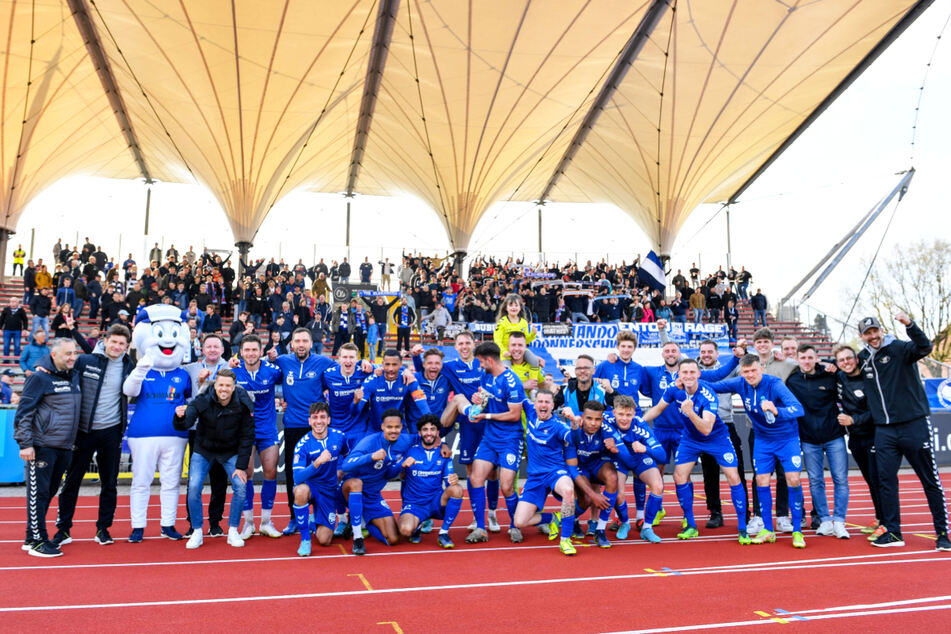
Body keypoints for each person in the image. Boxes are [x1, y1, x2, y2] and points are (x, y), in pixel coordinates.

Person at [857, 314, 950, 550]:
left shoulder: (899, 348)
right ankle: (894, 533)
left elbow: (925, 347)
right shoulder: (863, 358)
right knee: (885, 481)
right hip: (884, 430)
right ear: (862, 337)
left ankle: (942, 533)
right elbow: (845, 371)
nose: (873, 336)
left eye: (875, 331)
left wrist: (910, 325)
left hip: (913, 424)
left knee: (929, 480)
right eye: (868, 333)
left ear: (881, 330)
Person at [642, 359, 750, 543]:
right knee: (679, 476)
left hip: (717, 438)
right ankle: (691, 524)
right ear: (679, 375)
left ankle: (742, 528)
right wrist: (638, 422)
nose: (689, 376)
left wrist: (690, 412)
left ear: (699, 374)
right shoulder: (673, 389)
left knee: (733, 477)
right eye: (685, 373)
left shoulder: (708, 394)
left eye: (692, 372)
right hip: (691, 439)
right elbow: (658, 409)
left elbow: (707, 428)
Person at [709, 355, 806, 548]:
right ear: (741, 372)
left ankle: (797, 530)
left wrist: (778, 411)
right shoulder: (740, 383)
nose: (750, 375)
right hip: (763, 440)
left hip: (787, 439)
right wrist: (690, 380)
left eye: (753, 370)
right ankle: (768, 530)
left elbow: (798, 409)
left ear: (761, 368)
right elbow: (714, 386)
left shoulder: (775, 384)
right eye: (746, 372)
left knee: (793, 479)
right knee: (761, 480)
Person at [52, 325, 135, 548]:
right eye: (114, 342)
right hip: (83, 432)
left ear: (126, 346)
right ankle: (63, 529)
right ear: (105, 340)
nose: (117, 347)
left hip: (112, 431)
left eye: (121, 344)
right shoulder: (85, 361)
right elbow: (59, 369)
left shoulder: (130, 365)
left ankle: (103, 529)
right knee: (72, 481)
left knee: (110, 483)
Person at [122, 304, 193, 543]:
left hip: (175, 435)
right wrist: (141, 369)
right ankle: (138, 526)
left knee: (171, 483)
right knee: (141, 481)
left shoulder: (183, 374)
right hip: (142, 435)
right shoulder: (141, 370)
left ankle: (168, 524)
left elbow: (192, 400)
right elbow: (128, 390)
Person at [14, 337, 81, 557]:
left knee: (49, 492)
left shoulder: (73, 376)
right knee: (38, 494)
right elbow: (24, 412)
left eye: (74, 353)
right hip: (42, 446)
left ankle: (29, 536)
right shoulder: (40, 378)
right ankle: (38, 541)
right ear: (54, 355)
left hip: (64, 446)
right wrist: (25, 444)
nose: (72, 357)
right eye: (67, 354)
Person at [174, 369, 254, 549]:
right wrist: (179, 417)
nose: (224, 389)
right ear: (214, 385)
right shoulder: (203, 399)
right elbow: (186, 424)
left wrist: (241, 466)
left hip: (230, 452)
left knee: (240, 486)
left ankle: (233, 530)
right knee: (193, 487)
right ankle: (197, 531)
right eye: (220, 385)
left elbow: (247, 437)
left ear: (234, 387)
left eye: (228, 385)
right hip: (204, 450)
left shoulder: (243, 403)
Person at [267, 327, 335, 535]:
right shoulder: (283, 361)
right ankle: (294, 517)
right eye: (297, 341)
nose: (301, 344)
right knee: (293, 474)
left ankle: (318, 515)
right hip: (293, 427)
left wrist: (367, 365)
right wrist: (269, 359)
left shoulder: (323, 362)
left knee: (320, 471)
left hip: (317, 427)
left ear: (310, 343)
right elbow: (263, 370)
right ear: (292, 344)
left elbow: (345, 370)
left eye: (305, 340)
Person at [455, 341, 525, 543]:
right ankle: (480, 528)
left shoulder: (512, 381)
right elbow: (485, 398)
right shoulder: (486, 376)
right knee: (476, 478)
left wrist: (486, 417)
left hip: (510, 439)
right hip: (489, 439)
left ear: (488, 360)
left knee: (507, 486)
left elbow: (514, 414)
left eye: (480, 362)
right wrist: (479, 399)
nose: (479, 366)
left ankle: (515, 526)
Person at [513, 390, 594, 556]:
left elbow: (574, 439)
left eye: (547, 402)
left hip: (555, 472)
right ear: (534, 404)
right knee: (519, 521)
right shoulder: (529, 410)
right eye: (540, 401)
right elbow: (516, 391)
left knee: (568, 490)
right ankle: (554, 518)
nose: (543, 405)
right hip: (535, 477)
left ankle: (565, 540)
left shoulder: (558, 426)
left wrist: (573, 421)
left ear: (552, 406)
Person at [786, 343, 849, 539]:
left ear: (816, 358)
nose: (806, 361)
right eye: (803, 358)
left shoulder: (830, 375)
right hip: (809, 439)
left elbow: (846, 371)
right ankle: (824, 519)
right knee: (815, 481)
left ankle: (839, 521)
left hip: (834, 436)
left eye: (810, 358)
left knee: (840, 479)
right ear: (797, 359)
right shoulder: (792, 381)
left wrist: (833, 364)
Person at [340, 409, 416, 555]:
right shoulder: (369, 442)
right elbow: (346, 465)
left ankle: (362, 520)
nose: (393, 430)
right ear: (382, 427)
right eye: (389, 427)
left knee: (393, 539)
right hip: (351, 489)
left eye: (397, 427)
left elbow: (426, 437)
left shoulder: (405, 440)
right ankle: (358, 537)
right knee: (357, 484)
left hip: (373, 495)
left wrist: (442, 445)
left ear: (401, 427)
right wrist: (370, 457)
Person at [231, 335, 284, 539]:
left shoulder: (271, 370)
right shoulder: (234, 372)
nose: (251, 353)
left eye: (255, 349)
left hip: (268, 428)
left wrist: (276, 358)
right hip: (244, 430)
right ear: (241, 352)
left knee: (270, 472)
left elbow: (288, 373)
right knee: (247, 474)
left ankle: (266, 521)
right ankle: (248, 523)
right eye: (247, 350)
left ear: (261, 351)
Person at [183, 333, 231, 537]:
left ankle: (215, 522)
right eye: (208, 346)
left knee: (219, 480)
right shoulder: (190, 369)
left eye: (216, 346)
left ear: (222, 349)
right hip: (198, 431)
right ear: (202, 349)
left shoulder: (231, 367)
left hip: (224, 432)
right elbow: (186, 398)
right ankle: (193, 523)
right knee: (194, 481)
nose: (212, 349)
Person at [833, 343, 883, 538]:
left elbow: (876, 410)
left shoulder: (869, 378)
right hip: (855, 438)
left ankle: (887, 522)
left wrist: (854, 420)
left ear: (856, 359)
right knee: (870, 480)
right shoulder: (839, 377)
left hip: (874, 435)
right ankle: (880, 518)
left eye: (849, 358)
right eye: (841, 360)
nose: (846, 362)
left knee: (879, 480)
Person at [696, 339, 747, 530]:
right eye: (703, 351)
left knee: (737, 470)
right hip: (704, 427)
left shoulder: (729, 368)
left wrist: (743, 351)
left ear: (717, 353)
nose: (706, 354)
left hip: (726, 424)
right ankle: (715, 512)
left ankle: (746, 513)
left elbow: (746, 367)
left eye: (710, 351)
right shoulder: (694, 370)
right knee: (710, 473)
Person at [603, 395, 667, 542]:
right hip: (617, 459)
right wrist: (577, 419)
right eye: (621, 414)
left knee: (658, 485)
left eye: (628, 415)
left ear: (634, 414)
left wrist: (645, 448)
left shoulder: (640, 425)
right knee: (618, 493)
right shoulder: (605, 418)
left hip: (638, 458)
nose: (624, 418)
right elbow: (584, 415)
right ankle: (625, 523)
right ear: (613, 412)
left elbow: (662, 457)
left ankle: (647, 528)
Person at [397, 414, 464, 549]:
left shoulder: (444, 453)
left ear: (437, 433)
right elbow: (401, 476)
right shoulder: (409, 451)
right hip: (414, 504)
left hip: (436, 502)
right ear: (419, 432)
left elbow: (449, 482)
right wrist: (402, 467)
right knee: (405, 531)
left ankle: (443, 533)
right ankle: (417, 525)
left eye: (432, 429)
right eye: (425, 429)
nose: (429, 433)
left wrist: (453, 480)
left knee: (457, 489)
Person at [291, 402, 348, 556]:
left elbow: (348, 456)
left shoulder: (339, 437)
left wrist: (341, 470)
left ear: (329, 419)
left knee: (325, 540)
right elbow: (297, 478)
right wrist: (317, 462)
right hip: (311, 486)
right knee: (300, 490)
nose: (319, 421)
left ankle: (312, 521)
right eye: (315, 417)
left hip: (328, 490)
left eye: (322, 417)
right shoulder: (302, 444)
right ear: (309, 421)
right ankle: (305, 540)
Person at [568, 401, 619, 548]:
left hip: (597, 464)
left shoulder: (607, 430)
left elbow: (623, 455)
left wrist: (615, 448)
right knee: (585, 500)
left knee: (613, 477)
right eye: (589, 418)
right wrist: (594, 495)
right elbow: (571, 469)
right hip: (579, 467)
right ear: (582, 417)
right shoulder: (573, 430)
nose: (593, 423)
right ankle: (574, 518)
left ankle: (600, 529)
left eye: (597, 419)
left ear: (602, 420)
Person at [353, 349, 430, 434]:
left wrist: (431, 424)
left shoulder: (409, 380)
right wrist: (355, 403)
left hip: (399, 431)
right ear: (382, 364)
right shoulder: (371, 381)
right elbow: (355, 411)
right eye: (387, 364)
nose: (390, 368)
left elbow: (422, 405)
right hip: (375, 431)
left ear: (400, 364)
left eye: (394, 364)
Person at [494, 293, 540, 369]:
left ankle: (533, 379)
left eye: (516, 305)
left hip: (520, 352)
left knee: (535, 361)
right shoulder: (501, 322)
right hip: (506, 354)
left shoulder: (524, 322)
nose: (514, 308)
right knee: (507, 369)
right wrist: (503, 351)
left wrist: (533, 334)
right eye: (511, 305)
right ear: (506, 307)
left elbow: (526, 341)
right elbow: (497, 340)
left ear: (520, 307)